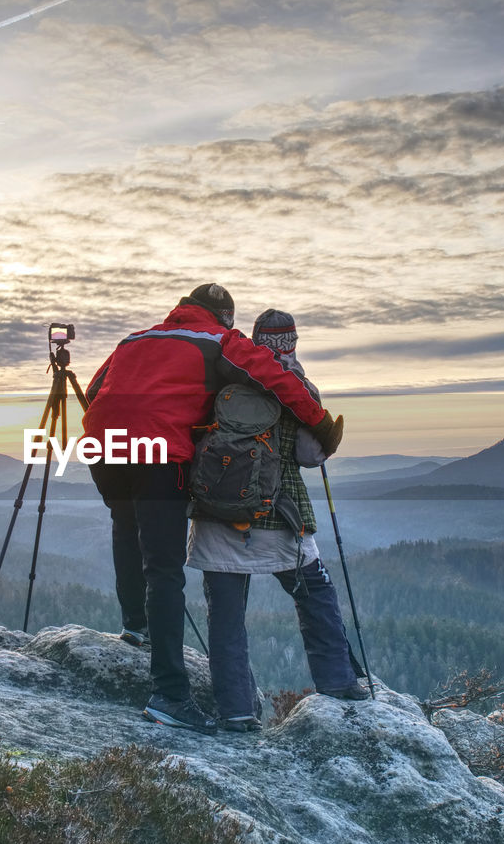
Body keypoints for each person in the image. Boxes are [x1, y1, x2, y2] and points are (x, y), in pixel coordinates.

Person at [83, 285, 343, 734]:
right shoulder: (220, 341)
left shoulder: (134, 339)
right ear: (224, 317)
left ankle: (135, 626)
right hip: (160, 453)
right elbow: (275, 378)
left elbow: (94, 388)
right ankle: (170, 695)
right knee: (164, 568)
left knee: (126, 525)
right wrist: (320, 422)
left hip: (104, 446)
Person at [187, 308, 367, 733]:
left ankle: (235, 711)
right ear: (292, 343)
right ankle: (338, 684)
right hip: (279, 517)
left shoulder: (221, 380)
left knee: (226, 616)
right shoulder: (295, 387)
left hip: (216, 518)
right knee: (315, 596)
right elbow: (309, 455)